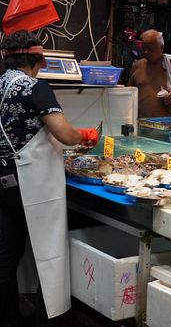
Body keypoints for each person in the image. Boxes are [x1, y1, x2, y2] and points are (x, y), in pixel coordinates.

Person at [0, 31, 99, 326]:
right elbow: (63, 133)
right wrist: (83, 135)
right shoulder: (35, 87)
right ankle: (51, 318)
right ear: (38, 60)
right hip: (30, 184)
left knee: (6, 253)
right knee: (49, 251)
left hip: (3, 178)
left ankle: (8, 317)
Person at [127, 30, 171, 118]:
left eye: (150, 49)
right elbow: (128, 93)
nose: (146, 52)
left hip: (164, 122)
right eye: (143, 48)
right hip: (140, 121)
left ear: (161, 48)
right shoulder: (137, 66)